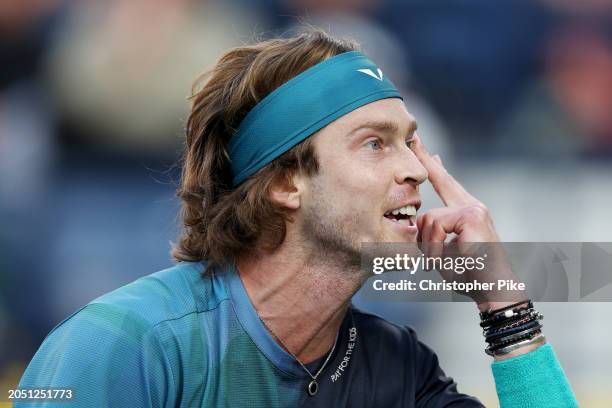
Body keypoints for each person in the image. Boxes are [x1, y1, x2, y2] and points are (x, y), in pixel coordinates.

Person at [16, 30, 579, 407]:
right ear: (286, 182)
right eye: (376, 145)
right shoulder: (120, 344)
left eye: (411, 142)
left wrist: (503, 304)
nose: (417, 170)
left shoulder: (399, 369)